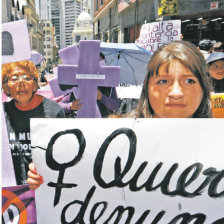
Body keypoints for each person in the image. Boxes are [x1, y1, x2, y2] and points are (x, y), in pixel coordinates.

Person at [2, 60, 65, 185]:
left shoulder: (54, 111)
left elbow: (65, 153)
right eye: (14, 79)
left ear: (35, 83)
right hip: (11, 193)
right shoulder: (2, 113)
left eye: (26, 78)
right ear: (6, 86)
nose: (21, 83)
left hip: (47, 187)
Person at [126, 40, 212, 118]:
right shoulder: (119, 132)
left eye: (189, 81)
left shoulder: (218, 134)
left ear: (204, 88)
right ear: (147, 88)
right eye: (163, 81)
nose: (176, 93)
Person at [59, 52, 120, 117]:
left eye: (101, 64)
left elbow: (116, 106)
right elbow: (60, 105)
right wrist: (70, 106)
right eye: (96, 63)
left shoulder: (108, 84)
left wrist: (102, 97)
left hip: (103, 123)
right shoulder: (77, 83)